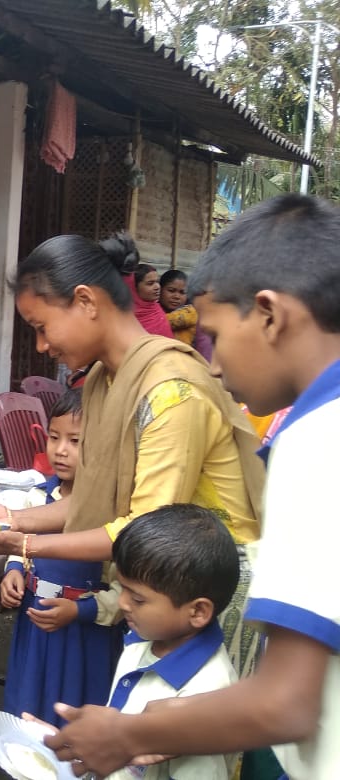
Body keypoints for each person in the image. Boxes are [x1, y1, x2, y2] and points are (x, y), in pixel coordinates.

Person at [46, 194, 340, 780]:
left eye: (214, 336)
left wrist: (127, 734)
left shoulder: (318, 439)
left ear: (269, 314)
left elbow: (286, 702)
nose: (214, 365)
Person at [0, 232, 265, 679]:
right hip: (158, 590)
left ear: (85, 301)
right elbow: (95, 502)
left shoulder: (171, 392)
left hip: (207, 594)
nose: (42, 346)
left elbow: (141, 529)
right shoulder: (105, 381)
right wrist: (8, 518)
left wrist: (22, 544)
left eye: (42, 327)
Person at [33, 503, 241, 780]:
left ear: (198, 611)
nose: (122, 603)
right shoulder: (143, 641)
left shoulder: (206, 697)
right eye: (122, 589)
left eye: (138, 598)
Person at [0, 389, 121, 727]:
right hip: (35, 627)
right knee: (28, 704)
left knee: (72, 714)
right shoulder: (38, 497)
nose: (61, 450)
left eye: (76, 441)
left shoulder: (112, 516)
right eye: (54, 437)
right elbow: (20, 545)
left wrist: (81, 610)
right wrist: (13, 570)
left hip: (84, 636)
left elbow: (124, 593)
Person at [160, 268, 213, 361]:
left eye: (182, 292)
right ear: (160, 289)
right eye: (171, 290)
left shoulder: (190, 313)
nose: (176, 296)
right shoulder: (150, 310)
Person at [127, 261, 173, 339]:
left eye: (157, 282)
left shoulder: (157, 310)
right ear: (134, 287)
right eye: (150, 283)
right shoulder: (125, 316)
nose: (157, 287)